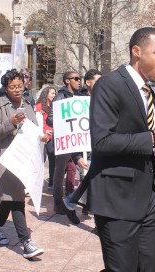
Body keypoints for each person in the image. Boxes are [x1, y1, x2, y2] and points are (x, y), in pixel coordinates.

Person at [86, 27, 155, 271]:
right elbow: (101, 141)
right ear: (136, 51)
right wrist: (153, 137)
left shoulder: (150, 92)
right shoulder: (109, 85)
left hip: (149, 198)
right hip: (116, 199)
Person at [0, 69, 48, 259]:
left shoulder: (28, 104)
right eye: (12, 87)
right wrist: (11, 122)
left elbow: (34, 129)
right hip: (8, 159)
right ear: (5, 88)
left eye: (20, 86)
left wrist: (43, 137)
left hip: (26, 157)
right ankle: (26, 242)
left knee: (9, 198)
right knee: (17, 200)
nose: (17, 90)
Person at [64, 68, 102, 215]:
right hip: (84, 151)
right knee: (88, 179)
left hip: (100, 148)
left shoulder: (105, 100)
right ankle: (74, 202)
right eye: (97, 81)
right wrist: (77, 156)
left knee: (96, 182)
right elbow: (72, 131)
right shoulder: (75, 102)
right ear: (88, 82)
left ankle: (76, 202)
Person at [46, 71, 81, 218]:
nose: (79, 81)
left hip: (76, 139)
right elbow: (50, 119)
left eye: (80, 79)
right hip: (63, 140)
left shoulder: (79, 97)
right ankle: (58, 202)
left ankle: (71, 197)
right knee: (60, 171)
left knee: (74, 168)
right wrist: (64, 121)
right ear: (67, 81)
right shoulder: (60, 97)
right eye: (76, 79)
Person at [35, 85, 57, 189]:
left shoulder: (54, 105)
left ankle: (52, 182)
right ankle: (36, 182)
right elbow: (38, 122)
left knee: (53, 159)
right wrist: (44, 131)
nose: (54, 95)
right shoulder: (39, 106)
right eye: (52, 93)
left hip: (52, 136)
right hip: (43, 136)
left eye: (55, 93)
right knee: (40, 159)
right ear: (46, 94)